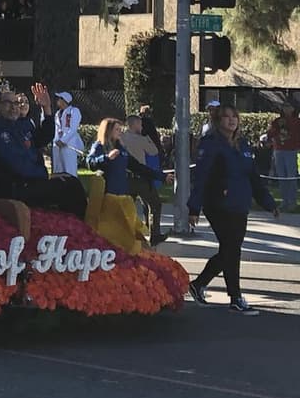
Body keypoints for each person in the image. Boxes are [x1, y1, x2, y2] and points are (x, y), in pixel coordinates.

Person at [188, 104, 280, 314]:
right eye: (226, 117)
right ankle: (235, 297)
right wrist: (194, 207)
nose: (231, 120)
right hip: (218, 204)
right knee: (232, 248)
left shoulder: (243, 145)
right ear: (218, 121)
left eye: (234, 116)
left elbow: (253, 178)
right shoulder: (210, 144)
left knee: (230, 249)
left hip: (240, 203)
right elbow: (201, 177)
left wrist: (269, 203)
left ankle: (198, 284)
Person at [0, 85, 87, 217]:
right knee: (69, 188)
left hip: (28, 182)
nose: (14, 107)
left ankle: (75, 229)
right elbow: (15, 163)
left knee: (71, 181)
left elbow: (42, 138)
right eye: (8, 103)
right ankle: (74, 230)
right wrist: (44, 176)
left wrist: (46, 108)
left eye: (16, 103)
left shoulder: (18, 125)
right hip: (12, 187)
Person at [86, 118, 168, 251]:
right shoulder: (99, 146)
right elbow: (90, 163)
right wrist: (106, 158)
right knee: (108, 230)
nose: (120, 132)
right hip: (108, 196)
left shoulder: (121, 149)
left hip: (123, 196)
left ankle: (138, 255)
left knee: (129, 228)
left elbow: (138, 167)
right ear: (108, 131)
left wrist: (161, 176)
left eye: (120, 129)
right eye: (117, 129)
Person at [121, 113, 167, 244]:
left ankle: (125, 233)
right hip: (141, 178)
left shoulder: (122, 137)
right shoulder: (141, 139)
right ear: (135, 124)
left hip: (126, 178)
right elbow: (154, 151)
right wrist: (146, 136)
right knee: (155, 204)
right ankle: (155, 234)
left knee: (127, 207)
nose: (141, 127)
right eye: (140, 124)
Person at [266, 102, 300, 211]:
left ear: (293, 108)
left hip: (291, 150)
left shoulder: (297, 122)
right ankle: (284, 201)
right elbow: (270, 133)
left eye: (289, 106)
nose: (286, 109)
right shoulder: (277, 121)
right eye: (285, 107)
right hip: (278, 150)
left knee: (291, 176)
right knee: (281, 177)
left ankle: (292, 202)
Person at [51, 91, 84, 175]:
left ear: (64, 100)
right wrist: (56, 141)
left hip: (69, 145)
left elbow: (73, 128)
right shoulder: (57, 113)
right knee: (58, 170)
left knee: (70, 170)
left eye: (60, 99)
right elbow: (57, 129)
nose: (57, 100)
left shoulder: (74, 111)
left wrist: (63, 140)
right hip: (57, 145)